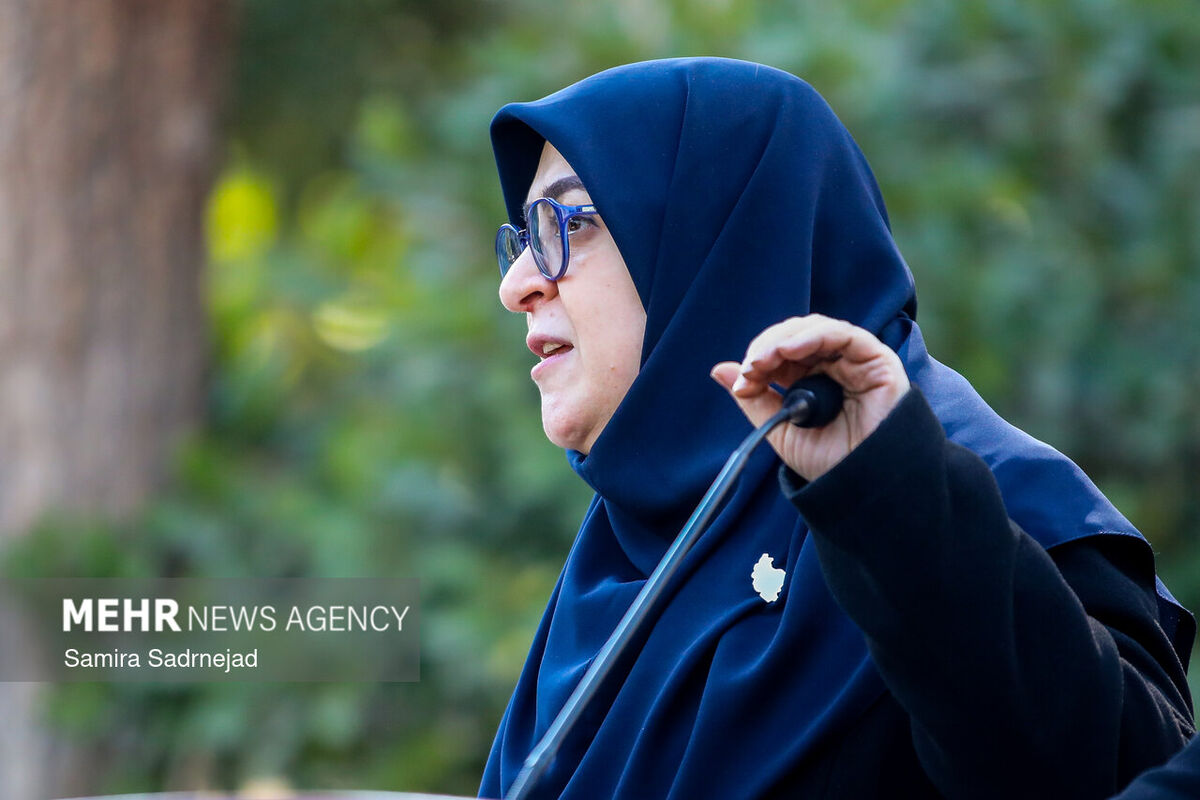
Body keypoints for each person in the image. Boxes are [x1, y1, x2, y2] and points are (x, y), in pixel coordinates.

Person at [480, 57, 1194, 800]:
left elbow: (1119, 774)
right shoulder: (625, 550)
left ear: (723, 241)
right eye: (523, 236)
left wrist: (891, 498)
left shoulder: (987, 499)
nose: (516, 283)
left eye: (567, 223)